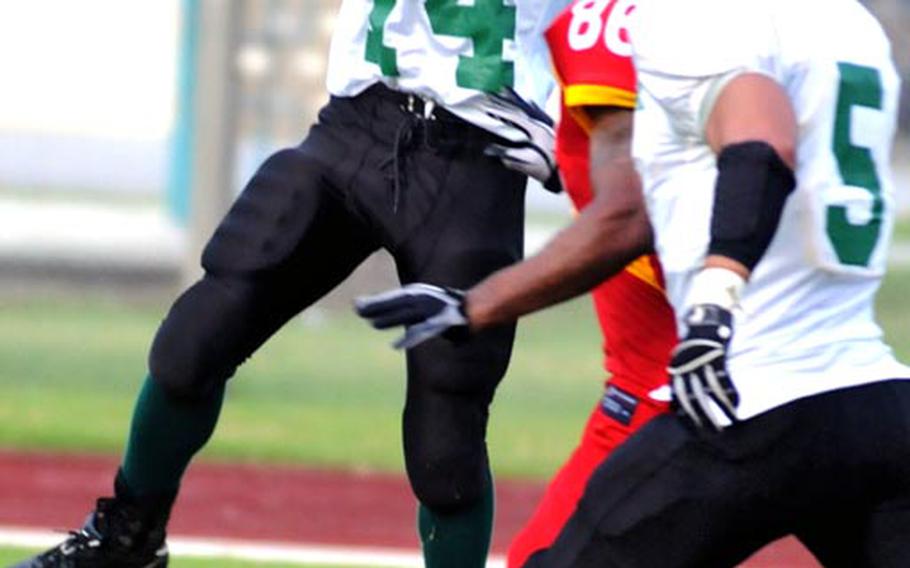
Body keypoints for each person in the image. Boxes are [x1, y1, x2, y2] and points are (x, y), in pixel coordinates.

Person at [14, 2, 568, 567]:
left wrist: (575, 137)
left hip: (478, 162)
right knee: (193, 341)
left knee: (445, 447)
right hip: (356, 129)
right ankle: (125, 541)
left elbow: (628, 38)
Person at [359, 0, 910, 565]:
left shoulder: (685, 17)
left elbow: (757, 150)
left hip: (752, 397)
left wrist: (713, 305)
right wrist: (479, 304)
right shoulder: (849, 21)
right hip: (877, 402)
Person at [504, 1, 678, 566]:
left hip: (678, 383)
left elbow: (624, 218)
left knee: (544, 556)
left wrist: (478, 305)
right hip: (831, 371)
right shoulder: (832, 28)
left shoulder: (607, 20)